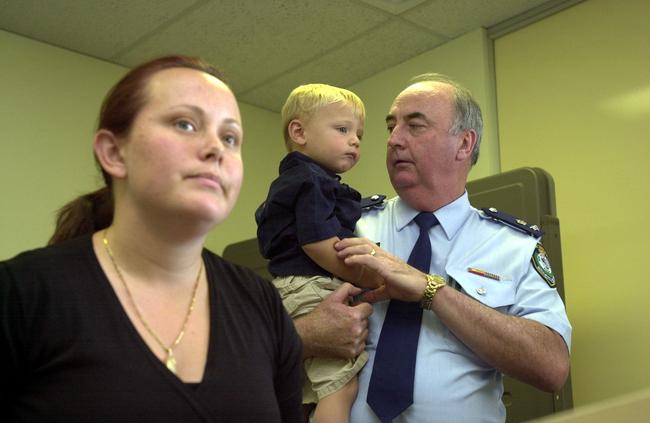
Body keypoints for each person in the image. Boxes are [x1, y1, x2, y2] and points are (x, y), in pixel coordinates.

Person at [0, 55, 303, 422]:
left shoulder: (263, 306)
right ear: (114, 152)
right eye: (185, 124)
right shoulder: (20, 294)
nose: (216, 149)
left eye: (230, 137)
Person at [297, 73, 572, 422]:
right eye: (390, 127)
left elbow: (552, 367)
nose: (394, 140)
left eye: (415, 126)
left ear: (464, 144)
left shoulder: (512, 246)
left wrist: (432, 291)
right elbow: (257, 339)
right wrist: (307, 336)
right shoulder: (340, 227)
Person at [255, 83, 382, 423]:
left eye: (358, 134)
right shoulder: (313, 181)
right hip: (311, 288)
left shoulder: (288, 181)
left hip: (287, 290)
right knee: (340, 388)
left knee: (302, 394)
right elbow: (316, 241)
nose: (354, 140)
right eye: (342, 130)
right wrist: (366, 275)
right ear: (298, 132)